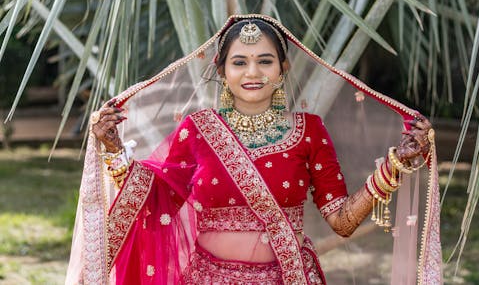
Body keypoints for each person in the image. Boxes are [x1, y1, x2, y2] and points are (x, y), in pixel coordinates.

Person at [66, 15, 442, 284]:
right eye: (239, 62)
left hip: (290, 276)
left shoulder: (308, 131)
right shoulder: (198, 130)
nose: (253, 73)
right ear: (222, 69)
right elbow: (150, 199)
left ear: (282, 69)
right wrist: (114, 148)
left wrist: (394, 167)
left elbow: (341, 221)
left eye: (265, 61)